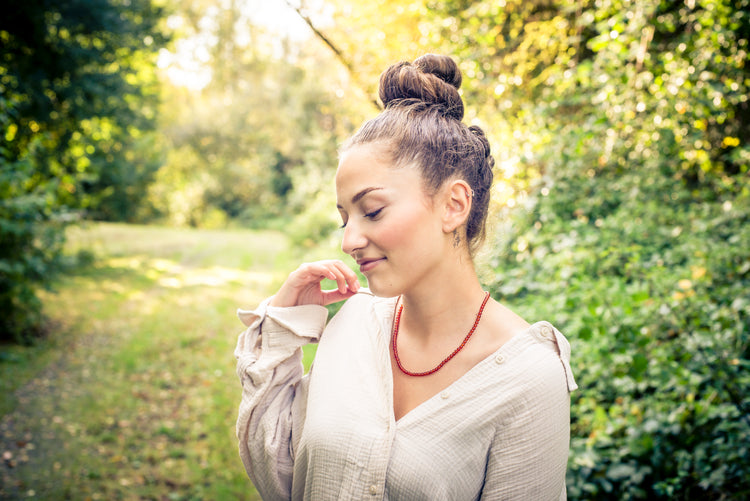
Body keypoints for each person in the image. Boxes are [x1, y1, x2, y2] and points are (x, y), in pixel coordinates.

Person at [234, 54, 577, 500]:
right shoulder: (353, 323)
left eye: (372, 211)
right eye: (344, 219)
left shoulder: (530, 376)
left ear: (454, 205)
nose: (349, 240)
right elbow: (281, 476)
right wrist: (280, 326)